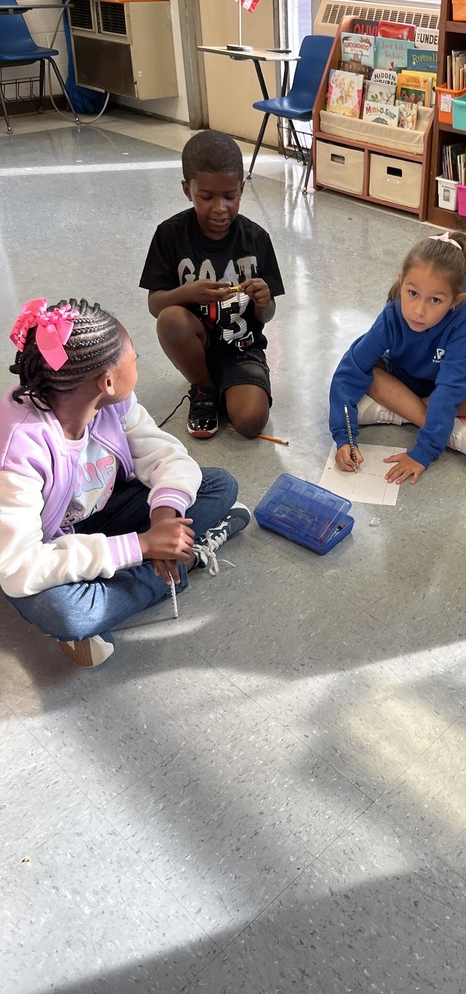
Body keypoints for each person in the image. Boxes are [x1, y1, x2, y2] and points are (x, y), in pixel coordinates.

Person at [0, 297, 251, 668]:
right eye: (134, 358)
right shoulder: (19, 448)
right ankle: (182, 562)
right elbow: (18, 567)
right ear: (107, 380)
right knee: (67, 614)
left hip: (102, 516)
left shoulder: (114, 402)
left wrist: (164, 518)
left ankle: (160, 559)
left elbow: (164, 455)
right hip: (42, 544)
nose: (138, 363)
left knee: (218, 485)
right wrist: (143, 546)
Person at [329, 230, 466, 485]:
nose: (419, 310)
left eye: (435, 300)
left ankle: (401, 410)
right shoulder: (393, 313)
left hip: (463, 379)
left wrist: (424, 451)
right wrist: (345, 437)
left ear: (456, 300)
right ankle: (449, 428)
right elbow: (350, 369)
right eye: (412, 294)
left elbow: (452, 387)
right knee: (368, 371)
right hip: (409, 374)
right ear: (401, 282)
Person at [139, 129, 285, 440]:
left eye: (230, 197)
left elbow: (267, 315)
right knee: (171, 319)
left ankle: (231, 382)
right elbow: (155, 306)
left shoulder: (257, 238)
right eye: (206, 197)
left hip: (243, 346)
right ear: (186, 190)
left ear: (241, 189)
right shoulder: (169, 235)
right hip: (197, 344)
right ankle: (203, 385)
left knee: (250, 422)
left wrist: (263, 300)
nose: (220, 208)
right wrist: (186, 293)